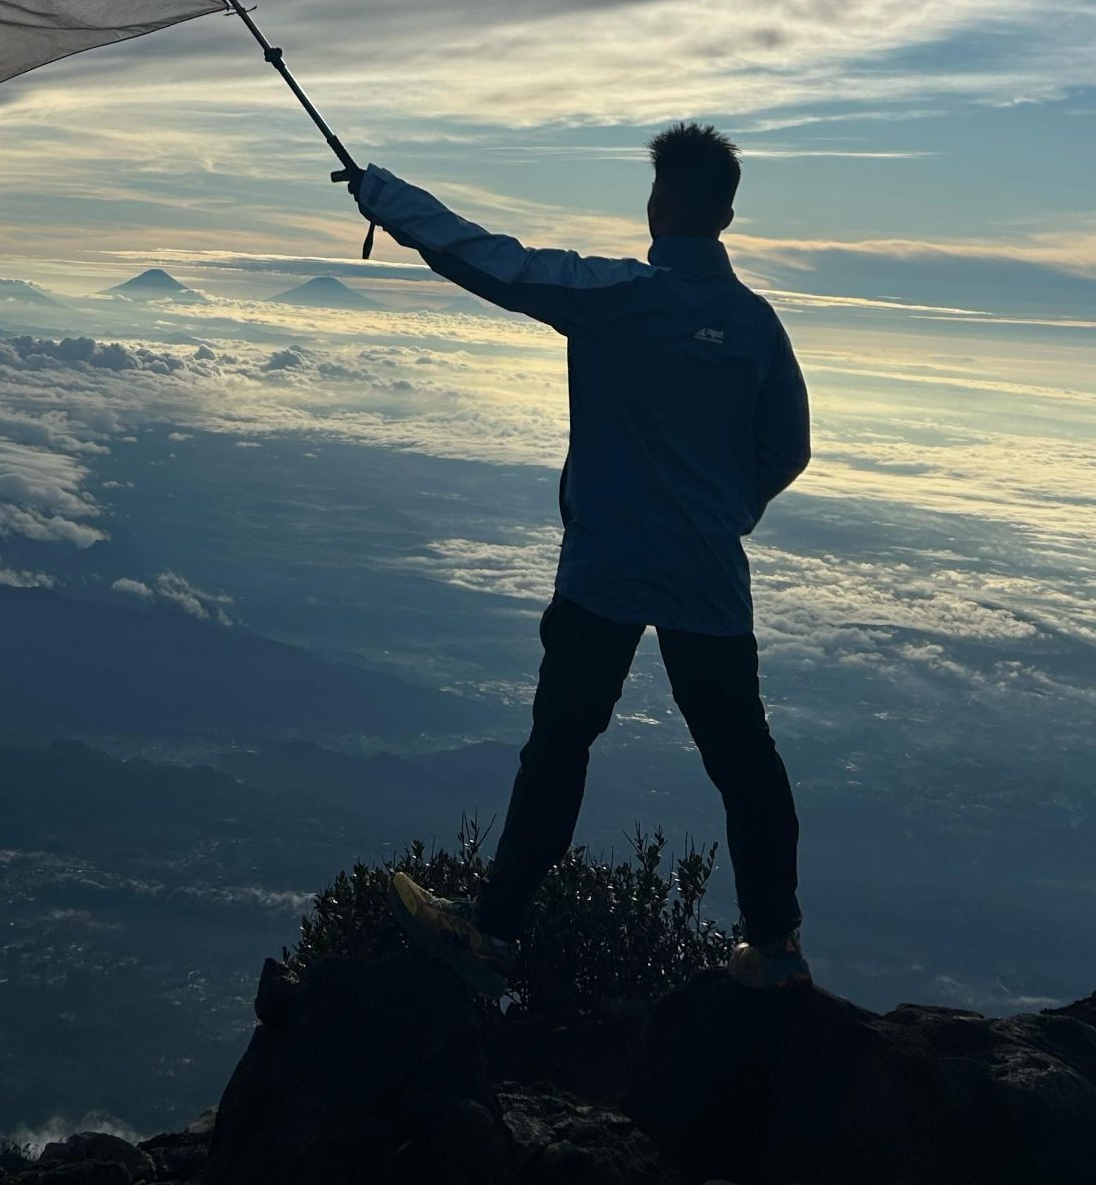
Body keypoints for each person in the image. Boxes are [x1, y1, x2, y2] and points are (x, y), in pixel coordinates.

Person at [342, 122, 812, 995]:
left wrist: (382, 195)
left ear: (657, 203)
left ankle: (493, 931)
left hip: (605, 568)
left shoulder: (620, 296)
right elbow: (787, 446)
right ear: (729, 215)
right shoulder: (755, 327)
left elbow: (496, 263)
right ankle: (776, 946)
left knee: (560, 745)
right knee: (743, 755)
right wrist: (724, 512)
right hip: (707, 576)